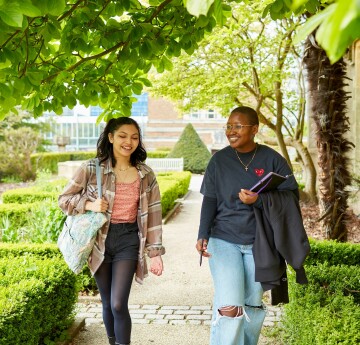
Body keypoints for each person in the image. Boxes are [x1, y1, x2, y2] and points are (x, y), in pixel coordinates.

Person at [196, 106, 307, 345]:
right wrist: (202, 234)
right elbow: (210, 200)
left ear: (254, 129)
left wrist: (260, 200)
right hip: (223, 239)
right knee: (230, 306)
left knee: (252, 304)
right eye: (228, 126)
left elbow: (291, 197)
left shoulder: (272, 159)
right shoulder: (218, 161)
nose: (230, 131)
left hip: (260, 242)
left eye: (237, 126)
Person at [59, 117, 165, 345]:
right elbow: (64, 199)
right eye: (123, 136)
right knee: (107, 302)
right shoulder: (91, 167)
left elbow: (154, 213)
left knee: (118, 303)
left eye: (134, 137)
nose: (129, 142)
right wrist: (88, 205)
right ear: (110, 137)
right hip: (98, 240)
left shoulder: (145, 175)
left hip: (128, 239)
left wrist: (155, 253)